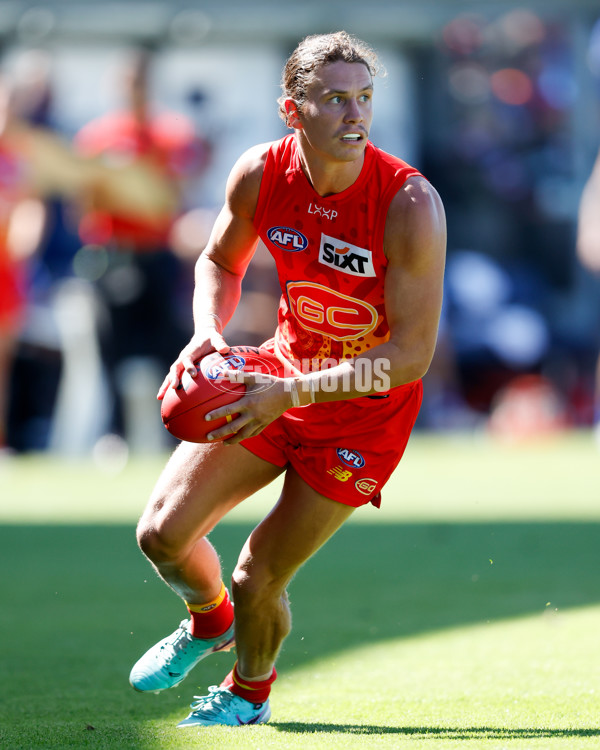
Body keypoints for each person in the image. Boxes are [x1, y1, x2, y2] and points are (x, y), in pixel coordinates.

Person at [129, 31, 446, 727]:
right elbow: (218, 261)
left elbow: (412, 355)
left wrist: (291, 392)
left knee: (257, 576)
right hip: (283, 372)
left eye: (364, 98)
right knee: (161, 536)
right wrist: (208, 329)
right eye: (335, 99)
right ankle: (207, 622)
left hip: (363, 413)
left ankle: (248, 695)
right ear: (292, 109)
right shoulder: (260, 173)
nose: (355, 115)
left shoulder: (409, 204)